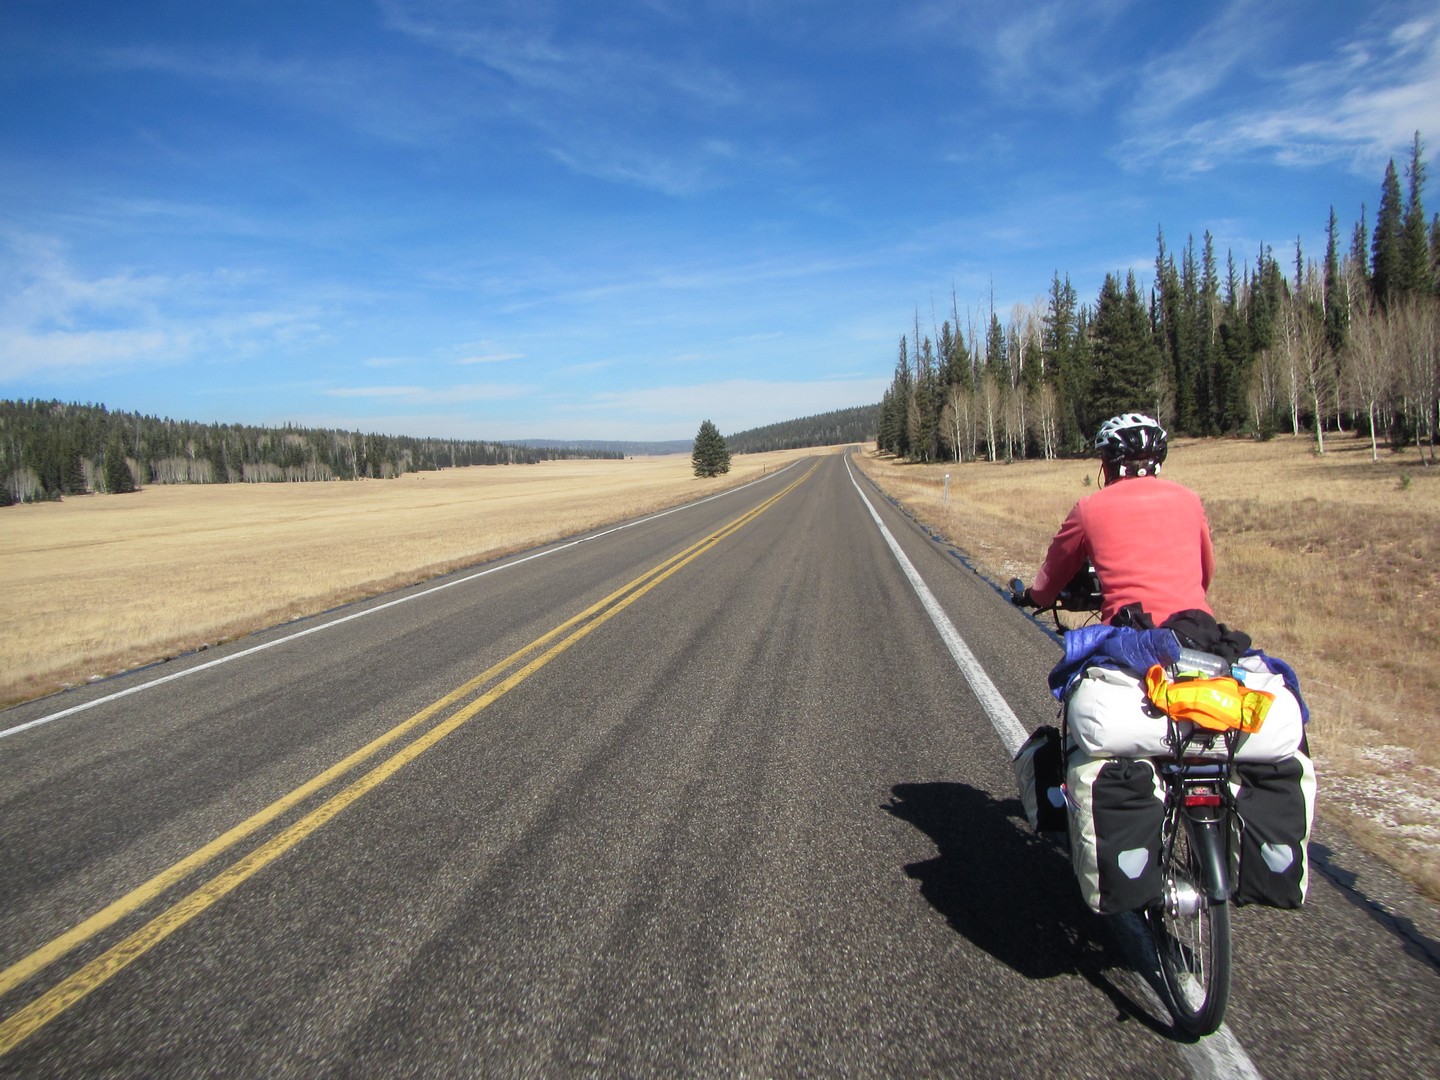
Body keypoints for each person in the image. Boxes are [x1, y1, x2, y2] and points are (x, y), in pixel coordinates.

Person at [1024, 413, 1215, 628]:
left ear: (1107, 465)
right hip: (1197, 630)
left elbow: (1050, 579)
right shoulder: (1190, 500)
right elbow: (1205, 572)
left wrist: (1035, 596)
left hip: (1129, 632)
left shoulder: (1089, 509)